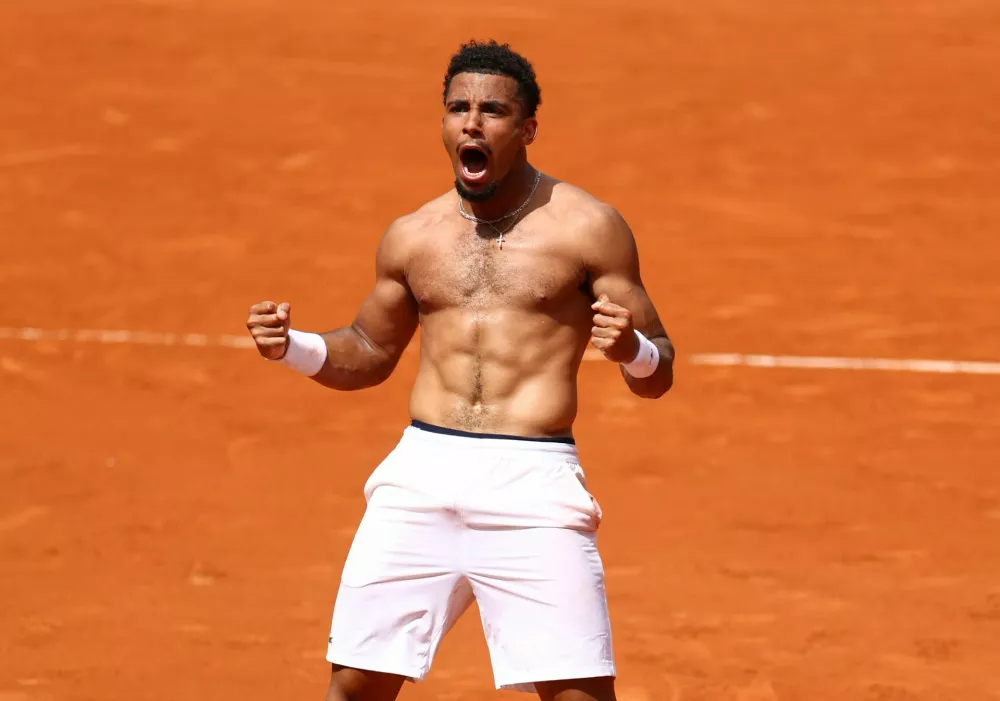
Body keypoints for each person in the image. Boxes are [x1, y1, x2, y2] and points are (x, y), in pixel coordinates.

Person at [245, 39, 674, 701]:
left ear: (527, 128)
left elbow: (659, 367)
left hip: (533, 485)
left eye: (493, 110)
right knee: (353, 688)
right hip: (421, 476)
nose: (471, 122)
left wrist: (632, 352)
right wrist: (291, 347)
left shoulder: (589, 228)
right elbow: (370, 348)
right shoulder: (413, 236)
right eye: (458, 108)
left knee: (580, 696)